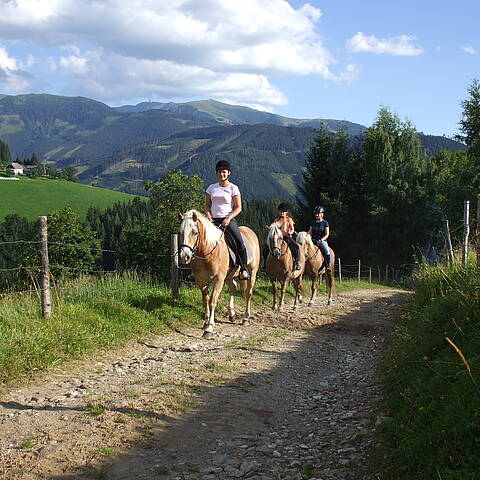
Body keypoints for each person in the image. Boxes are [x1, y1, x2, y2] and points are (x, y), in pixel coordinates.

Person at [205, 159, 249, 280]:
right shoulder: (211, 188)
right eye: (219, 172)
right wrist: (208, 215)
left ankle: (243, 268)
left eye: (224, 172)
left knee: (239, 241)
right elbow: (207, 205)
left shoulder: (233, 188)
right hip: (212, 220)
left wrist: (229, 218)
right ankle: (197, 269)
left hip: (227, 220)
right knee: (200, 240)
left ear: (228, 173)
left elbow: (238, 207)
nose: (221, 174)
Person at [307, 205, 331, 272]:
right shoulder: (313, 222)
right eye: (316, 214)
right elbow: (310, 231)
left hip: (321, 241)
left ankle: (327, 266)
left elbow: (327, 234)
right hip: (313, 240)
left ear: (322, 214)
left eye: (319, 214)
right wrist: (306, 236)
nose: (317, 215)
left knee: (327, 251)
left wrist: (321, 240)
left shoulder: (325, 223)